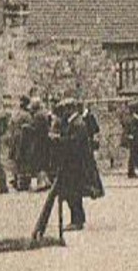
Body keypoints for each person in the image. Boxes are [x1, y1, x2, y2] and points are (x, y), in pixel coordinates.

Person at [32, 99, 106, 237]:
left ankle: (77, 220)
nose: (63, 112)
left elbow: (73, 144)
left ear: (70, 109)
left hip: (76, 164)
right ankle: (78, 218)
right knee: (73, 192)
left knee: (73, 192)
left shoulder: (78, 124)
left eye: (65, 109)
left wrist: (56, 140)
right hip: (73, 163)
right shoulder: (74, 122)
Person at [7, 96, 33, 190]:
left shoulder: (15, 114)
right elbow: (31, 126)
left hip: (14, 138)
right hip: (24, 139)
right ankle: (23, 182)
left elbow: (10, 125)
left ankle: (16, 179)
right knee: (24, 161)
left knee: (16, 160)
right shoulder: (27, 115)